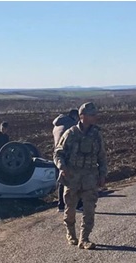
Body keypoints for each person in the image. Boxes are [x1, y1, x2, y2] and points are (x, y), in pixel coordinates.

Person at [54, 102, 107, 249]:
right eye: (92, 115)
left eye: (95, 114)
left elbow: (102, 156)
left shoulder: (96, 135)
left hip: (90, 178)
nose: (95, 117)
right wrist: (62, 167)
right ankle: (71, 234)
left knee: (89, 210)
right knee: (70, 209)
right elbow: (58, 153)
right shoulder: (70, 134)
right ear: (82, 116)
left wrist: (103, 174)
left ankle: (85, 238)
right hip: (73, 178)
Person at [52, 109, 79, 212]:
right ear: (75, 116)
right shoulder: (72, 125)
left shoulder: (56, 125)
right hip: (68, 154)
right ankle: (77, 204)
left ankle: (61, 205)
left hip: (57, 154)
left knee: (61, 179)